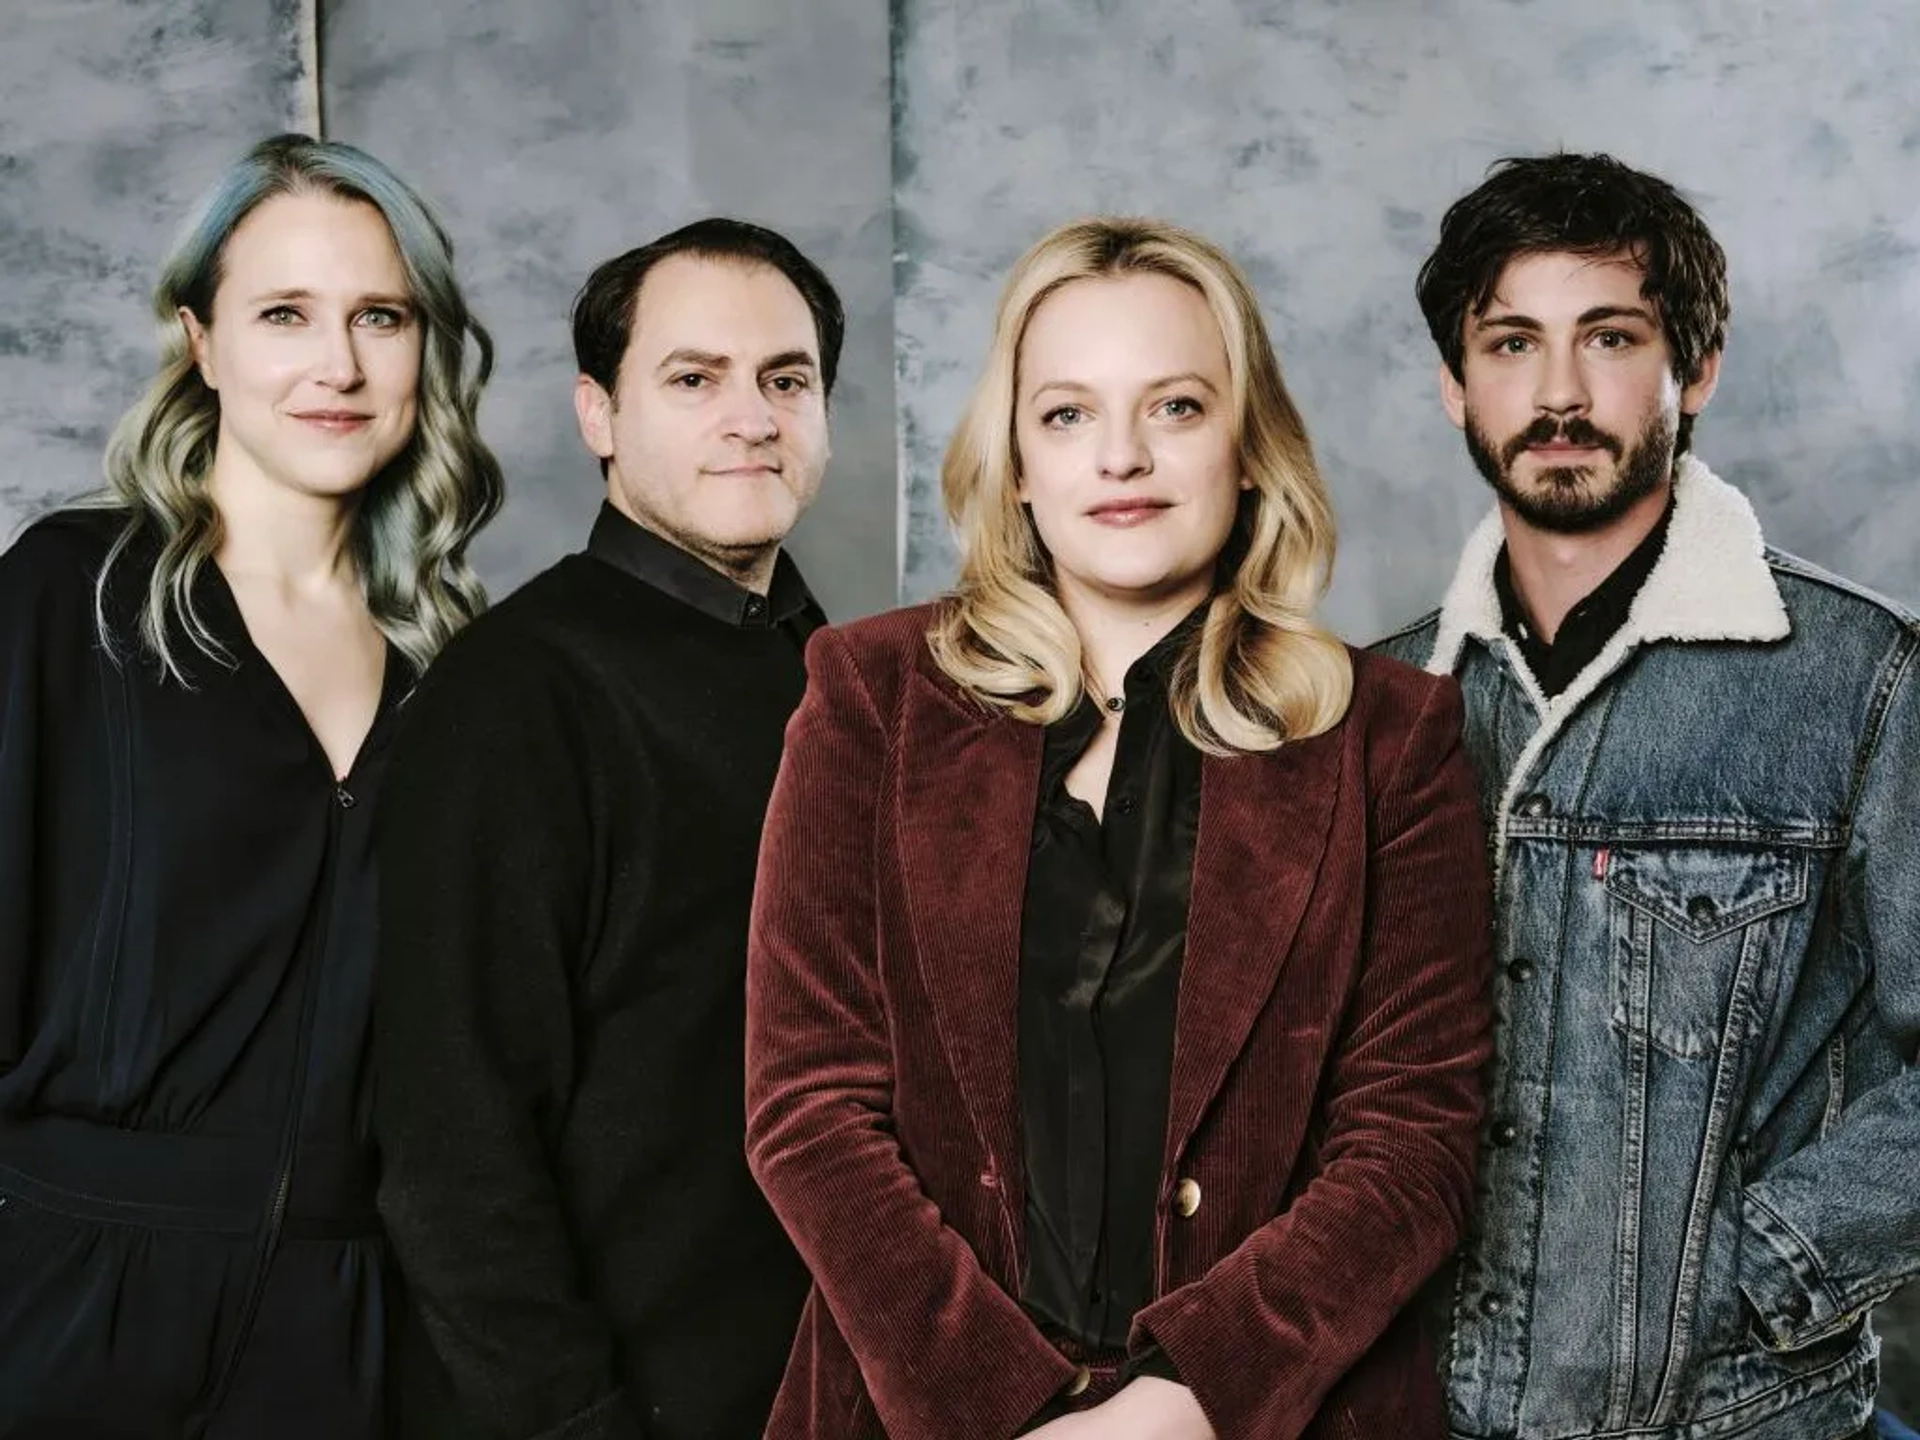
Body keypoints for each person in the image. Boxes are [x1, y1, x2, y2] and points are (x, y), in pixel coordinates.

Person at [745, 216, 1494, 1439]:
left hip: (1263, 1417)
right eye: (1068, 414)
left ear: (1250, 449)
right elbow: (808, 1108)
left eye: (1178, 408)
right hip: (922, 1416)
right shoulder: (868, 700)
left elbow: (1412, 1144)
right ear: (1019, 462)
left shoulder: (1388, 738)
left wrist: (1182, 1406)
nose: (1123, 457)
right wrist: (1005, 1406)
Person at [1375, 152, 1920, 1440]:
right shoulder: (1382, 700)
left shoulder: (1866, 683)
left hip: (1742, 1416)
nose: (1558, 392)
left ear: (1696, 368)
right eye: (1512, 343)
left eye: (1609, 337)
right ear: (1457, 387)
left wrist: (1753, 1268)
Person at [0, 133, 502, 1438]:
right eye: (285, 314)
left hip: (354, 1337)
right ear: (201, 343)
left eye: (378, 317)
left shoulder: (461, 666)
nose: (336, 366)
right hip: (65, 1302)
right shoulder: (71, 597)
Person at [373, 218, 840, 1440]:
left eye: (785, 379)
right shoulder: (515, 697)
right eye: (693, 380)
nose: (752, 417)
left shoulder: (845, 677)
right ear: (599, 415)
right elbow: (447, 1147)